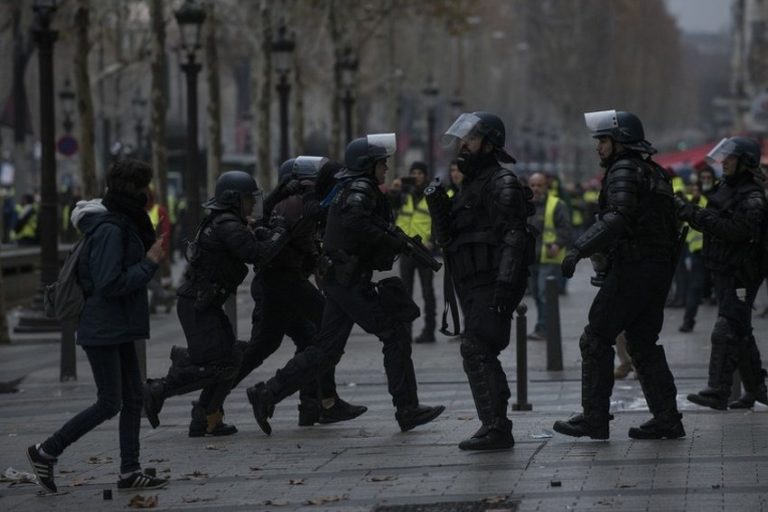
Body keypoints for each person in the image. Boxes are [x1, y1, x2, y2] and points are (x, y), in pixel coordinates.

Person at [246, 133, 445, 435]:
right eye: (382, 163)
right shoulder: (359, 188)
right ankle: (406, 408)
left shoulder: (352, 188)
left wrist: (393, 240)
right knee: (393, 332)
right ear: (368, 165)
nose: (387, 168)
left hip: (341, 280)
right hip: (348, 282)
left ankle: (267, 393)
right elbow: (355, 222)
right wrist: (391, 239)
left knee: (326, 350)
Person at [26, 158, 168, 494]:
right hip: (103, 327)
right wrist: (149, 263)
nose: (148, 193)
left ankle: (129, 471)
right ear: (132, 190)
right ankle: (46, 451)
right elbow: (108, 282)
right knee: (110, 402)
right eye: (144, 186)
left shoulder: (123, 223)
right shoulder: (110, 229)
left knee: (133, 398)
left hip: (119, 326)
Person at [553, 110, 685, 440]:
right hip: (656, 269)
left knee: (596, 337)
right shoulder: (650, 170)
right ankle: (668, 419)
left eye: (603, 140)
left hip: (634, 269)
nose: (598, 147)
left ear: (620, 140)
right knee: (642, 343)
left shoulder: (624, 169)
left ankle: (594, 419)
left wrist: (577, 249)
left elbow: (618, 219)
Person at [143, 171, 290, 437]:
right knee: (219, 364)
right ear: (234, 200)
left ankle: (205, 416)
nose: (250, 205)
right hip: (198, 306)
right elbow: (257, 254)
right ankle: (159, 389)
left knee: (233, 357)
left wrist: (264, 226)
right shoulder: (227, 225)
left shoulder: (225, 221)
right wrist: (281, 232)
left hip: (204, 304)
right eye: (247, 199)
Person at [428, 112, 535, 450]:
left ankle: (496, 427)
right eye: (463, 139)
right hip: (471, 282)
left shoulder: (501, 183)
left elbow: (514, 238)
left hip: (491, 282)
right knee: (480, 350)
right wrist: (438, 206)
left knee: (477, 347)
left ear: (489, 144)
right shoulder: (469, 185)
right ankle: (495, 424)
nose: (464, 146)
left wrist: (505, 285)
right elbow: (446, 239)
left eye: (471, 139)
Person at [234, 156, 367, 426]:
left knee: (298, 340)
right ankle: (321, 402)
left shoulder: (296, 205)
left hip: (286, 283)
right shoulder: (292, 206)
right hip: (281, 282)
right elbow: (276, 248)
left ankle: (314, 404)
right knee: (322, 331)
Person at [677, 136, 768, 410]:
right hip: (724, 268)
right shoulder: (727, 188)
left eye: (730, 157)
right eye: (724, 156)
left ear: (745, 162)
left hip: (742, 272)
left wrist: (693, 214)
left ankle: (718, 390)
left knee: (726, 327)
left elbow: (737, 231)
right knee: (740, 330)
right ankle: (757, 390)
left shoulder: (752, 196)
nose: (724, 162)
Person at [389, 161, 437, 343]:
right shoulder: (404, 194)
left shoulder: (431, 196)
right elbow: (389, 205)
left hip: (424, 250)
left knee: (427, 293)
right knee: (405, 292)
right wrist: (394, 189)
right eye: (413, 173)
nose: (416, 176)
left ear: (425, 176)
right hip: (406, 249)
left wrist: (433, 241)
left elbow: (437, 222)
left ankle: (429, 330)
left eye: (420, 173)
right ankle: (406, 330)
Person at [527, 172, 572, 340]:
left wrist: (558, 243)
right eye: (533, 185)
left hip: (549, 257)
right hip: (532, 258)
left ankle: (545, 328)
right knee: (537, 294)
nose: (536, 189)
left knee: (544, 293)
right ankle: (542, 325)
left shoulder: (556, 204)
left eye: (539, 185)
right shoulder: (526, 205)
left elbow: (565, 229)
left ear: (546, 186)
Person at [679, 180, 707, 333]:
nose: (694, 191)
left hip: (709, 253)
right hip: (696, 253)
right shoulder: (690, 205)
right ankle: (688, 321)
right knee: (695, 288)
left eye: (697, 189)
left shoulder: (706, 203)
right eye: (693, 189)